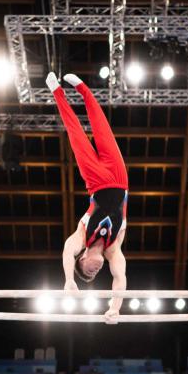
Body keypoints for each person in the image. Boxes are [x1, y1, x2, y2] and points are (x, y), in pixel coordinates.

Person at [49, 71, 128, 319]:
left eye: (88, 272)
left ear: (81, 259)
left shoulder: (81, 237)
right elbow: (120, 278)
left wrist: (69, 280)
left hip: (94, 181)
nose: (94, 272)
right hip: (119, 178)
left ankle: (61, 91)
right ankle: (82, 89)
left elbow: (65, 250)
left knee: (76, 134)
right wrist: (115, 309)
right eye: (95, 275)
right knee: (103, 129)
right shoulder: (113, 248)